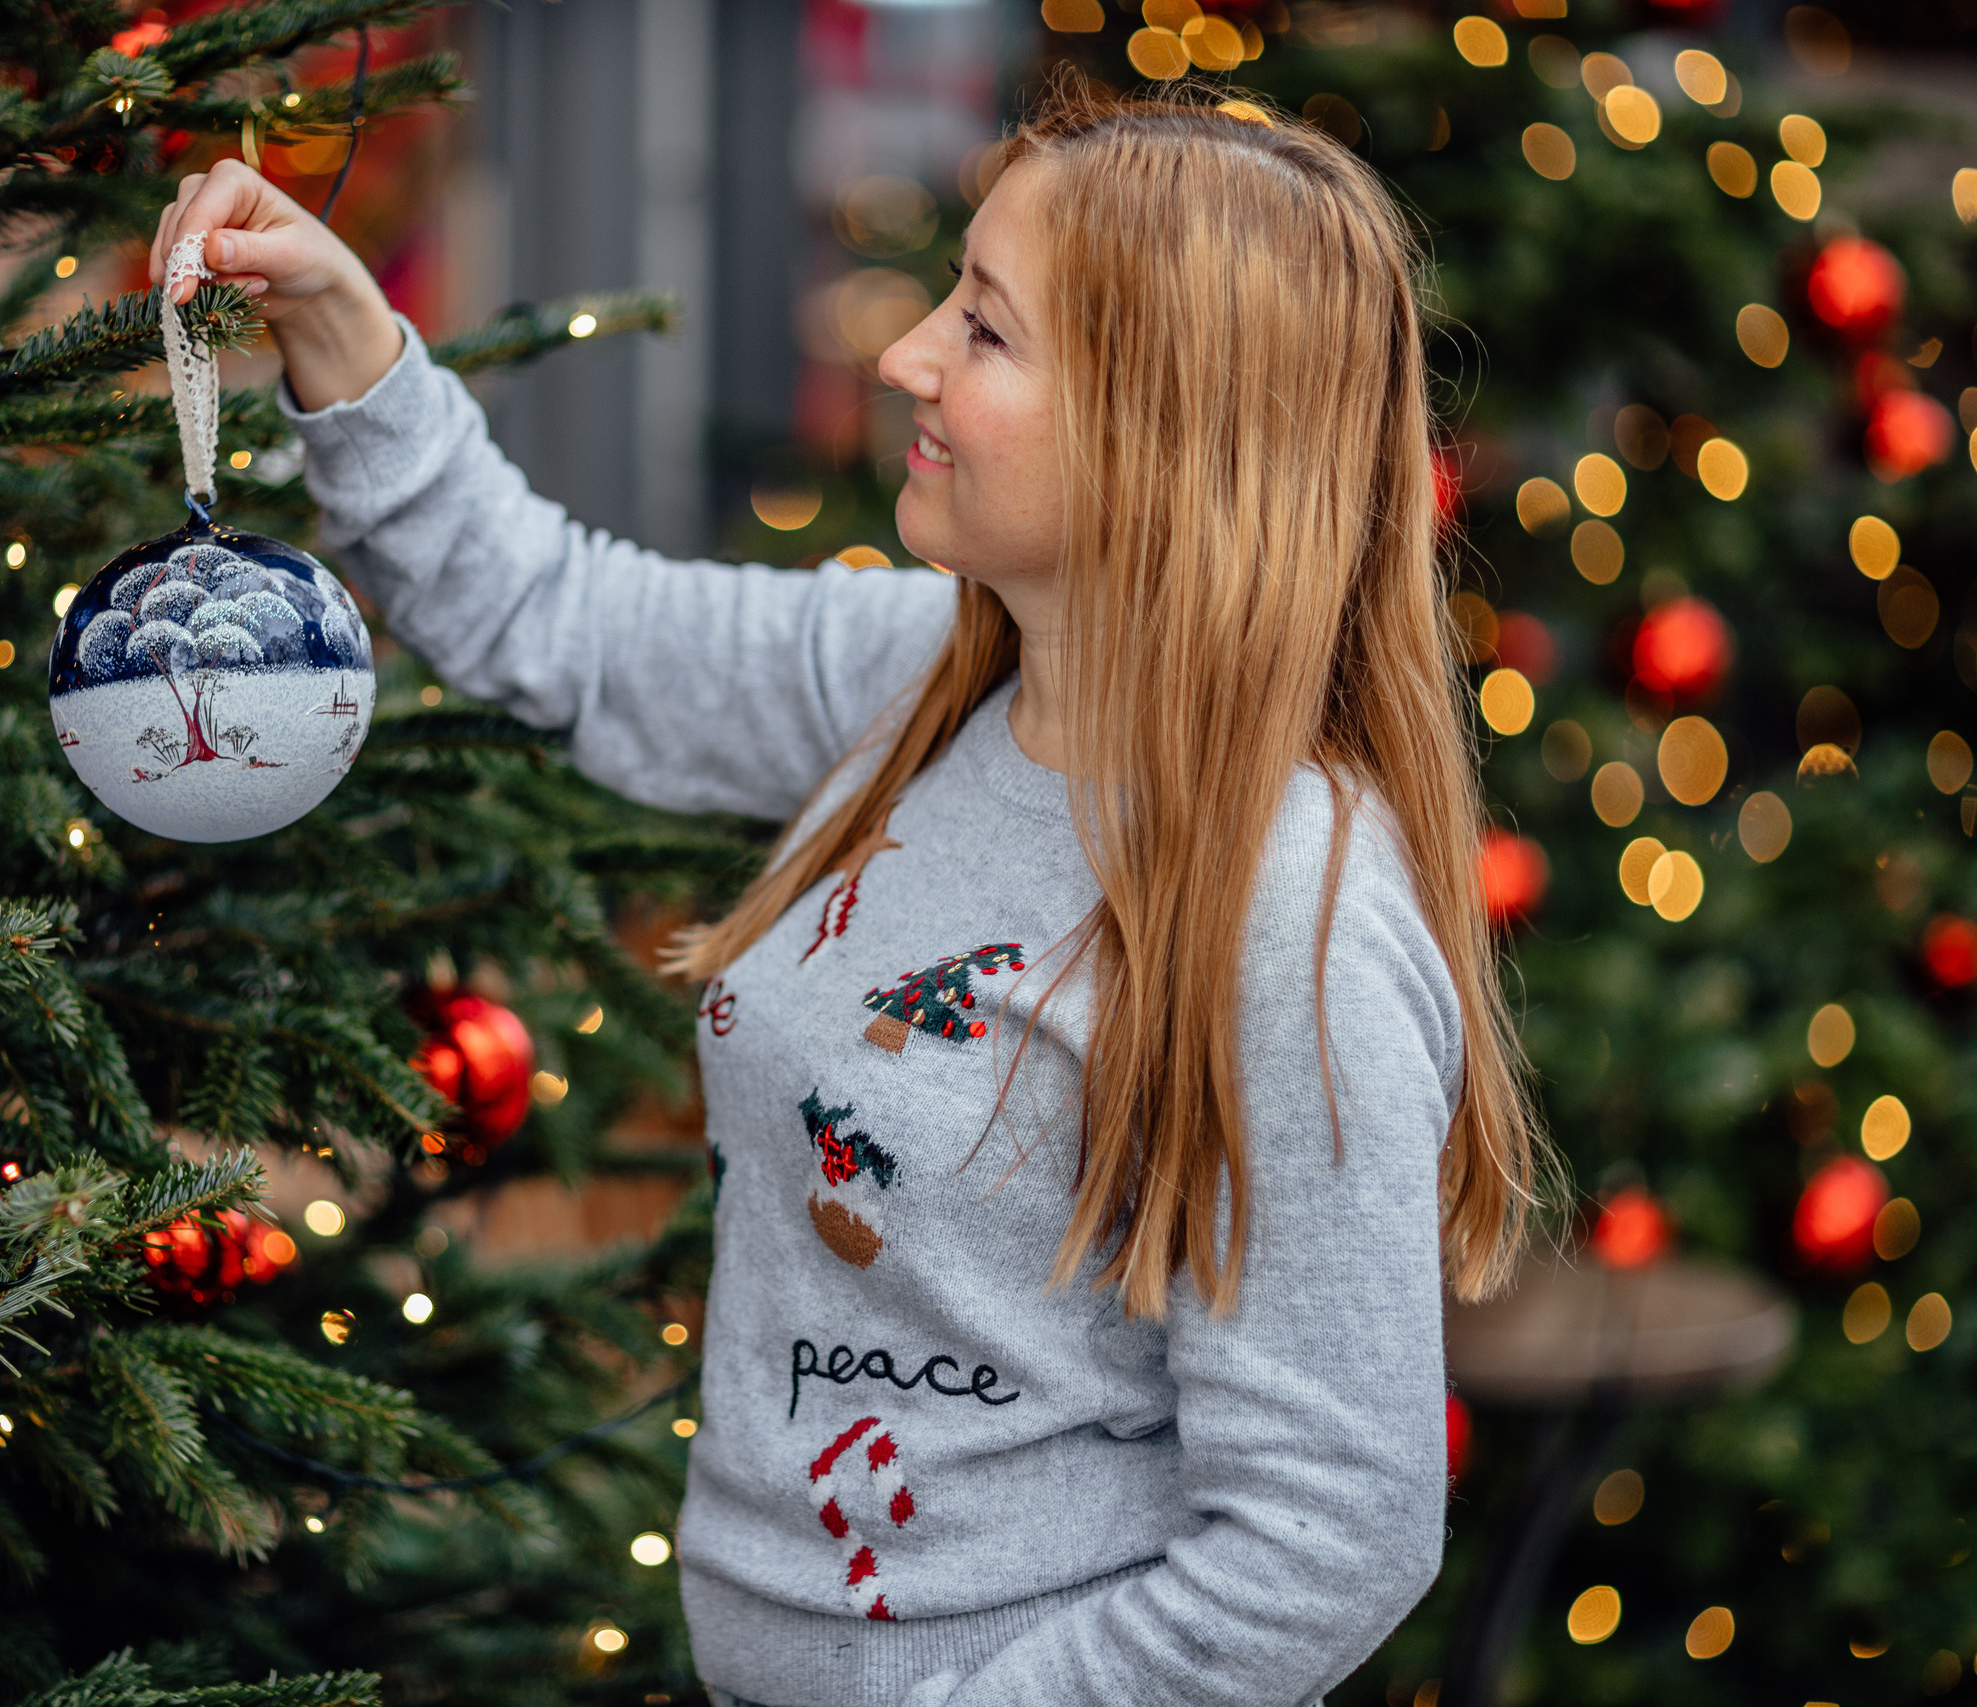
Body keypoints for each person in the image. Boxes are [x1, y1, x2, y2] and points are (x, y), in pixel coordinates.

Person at [153, 78, 1538, 1707]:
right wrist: (344, 328)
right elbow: (564, 628)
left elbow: (1334, 1534)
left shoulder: (1281, 904)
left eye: (990, 332)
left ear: (1164, 432)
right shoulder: (922, 682)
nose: (905, 357)